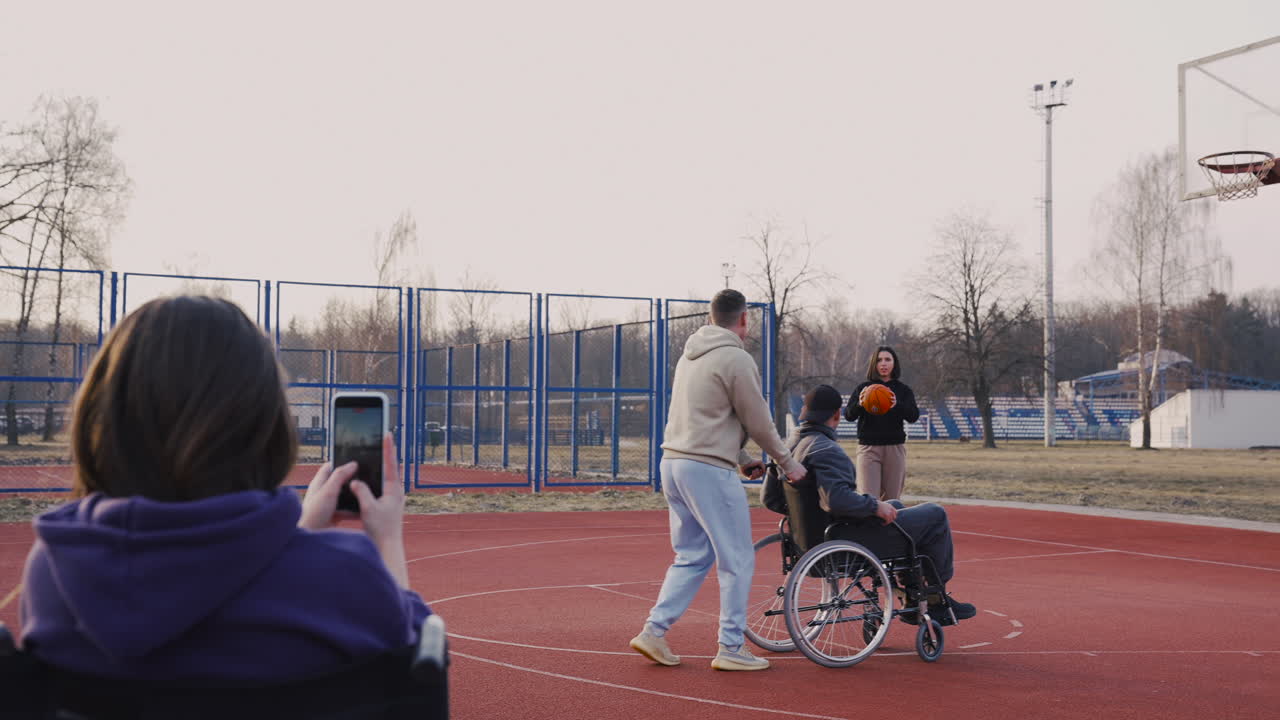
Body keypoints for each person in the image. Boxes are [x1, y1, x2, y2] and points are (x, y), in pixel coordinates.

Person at [18, 295, 431, 684]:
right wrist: (386, 539)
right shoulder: (346, 576)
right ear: (266, 423)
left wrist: (303, 533)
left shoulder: (52, 576)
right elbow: (415, 669)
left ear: (102, 419)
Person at [629, 289, 806, 672]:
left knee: (692, 555)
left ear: (711, 318)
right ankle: (731, 647)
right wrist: (788, 462)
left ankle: (654, 632)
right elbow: (758, 420)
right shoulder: (736, 358)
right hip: (707, 469)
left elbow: (702, 416)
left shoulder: (688, 358)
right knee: (737, 557)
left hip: (673, 463)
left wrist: (740, 458)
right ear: (744, 319)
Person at [766, 383, 976, 623]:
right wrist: (874, 506)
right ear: (837, 415)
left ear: (804, 411)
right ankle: (935, 597)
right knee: (935, 514)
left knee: (895, 505)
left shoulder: (787, 448)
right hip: (842, 541)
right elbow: (837, 500)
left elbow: (770, 499)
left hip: (808, 540)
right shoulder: (826, 449)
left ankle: (911, 593)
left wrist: (806, 514)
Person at [843, 345, 919, 500]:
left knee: (892, 500)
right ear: (874, 364)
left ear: (894, 363)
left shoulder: (903, 390)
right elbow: (849, 415)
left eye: (887, 359)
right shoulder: (863, 389)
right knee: (868, 498)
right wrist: (860, 404)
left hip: (894, 448)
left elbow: (913, 416)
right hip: (868, 448)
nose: (883, 363)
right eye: (879, 360)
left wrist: (896, 405)